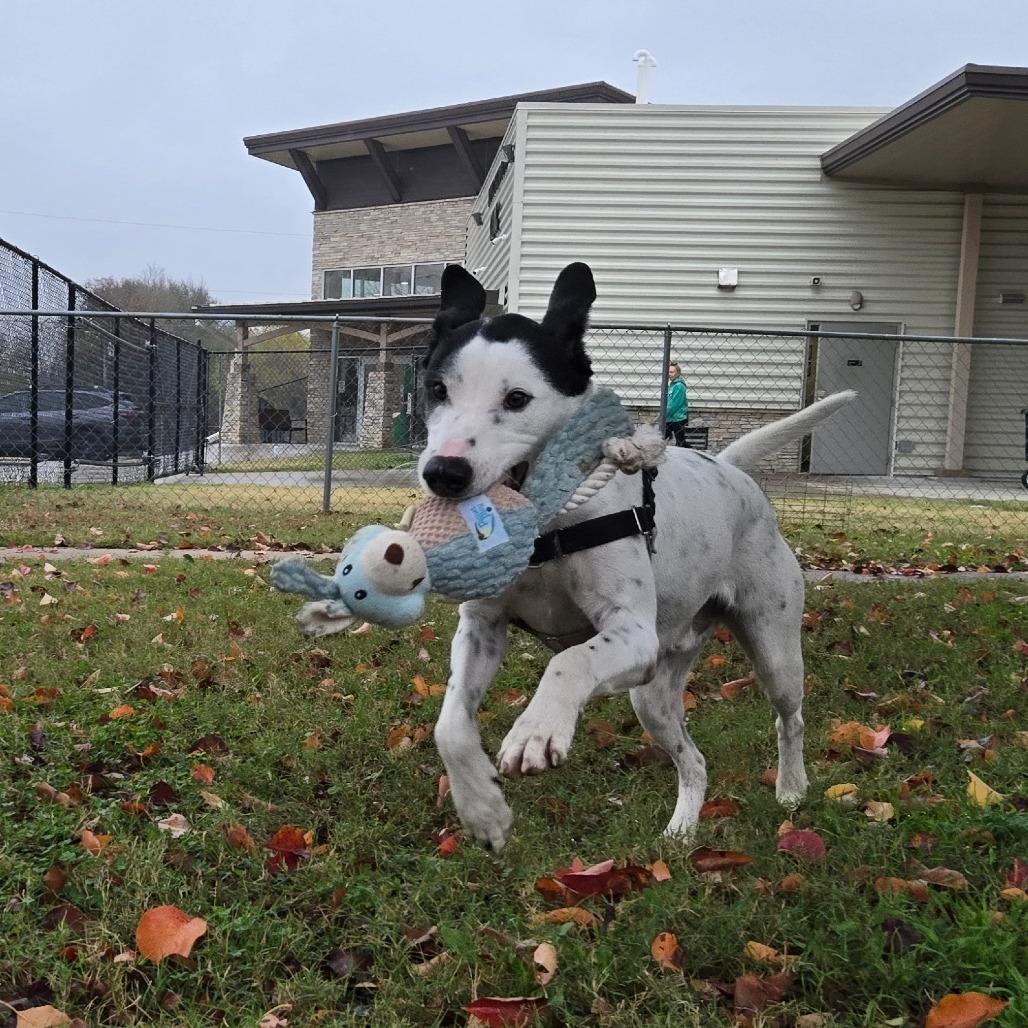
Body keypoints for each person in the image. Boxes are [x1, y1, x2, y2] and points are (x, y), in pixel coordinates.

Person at [663, 362, 689, 446]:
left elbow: (674, 405)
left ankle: (690, 454)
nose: (669, 374)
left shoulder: (679, 386)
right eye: (668, 372)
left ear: (678, 373)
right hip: (670, 418)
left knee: (680, 442)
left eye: (672, 372)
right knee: (661, 437)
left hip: (678, 418)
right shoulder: (672, 384)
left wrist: (663, 415)